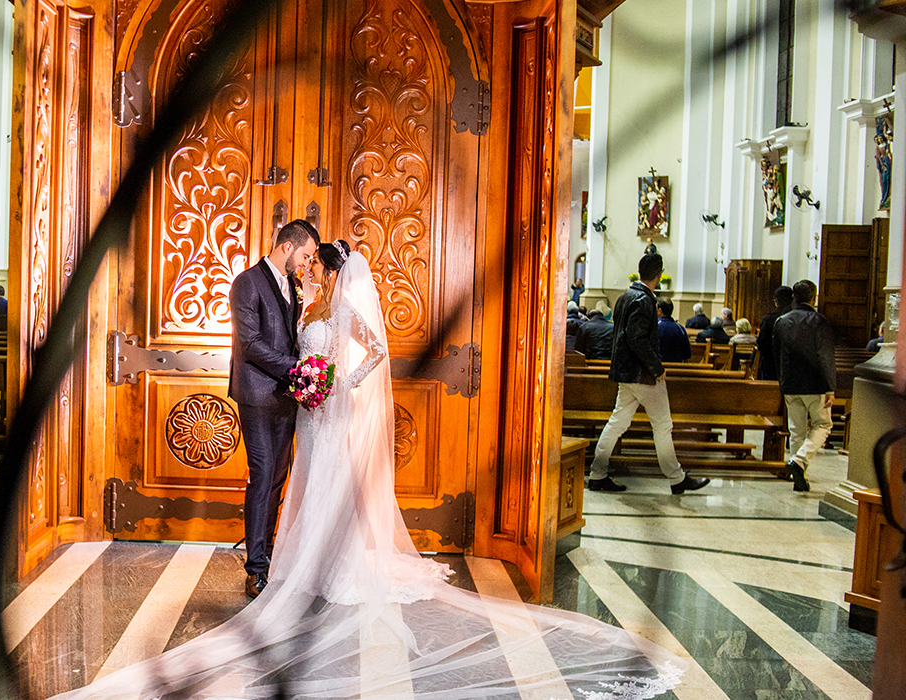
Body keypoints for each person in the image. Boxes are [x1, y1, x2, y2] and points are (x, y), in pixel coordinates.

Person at [52, 244, 687, 700]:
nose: (309, 271)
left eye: (316, 266)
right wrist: (311, 380)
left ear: (331, 270)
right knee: (305, 486)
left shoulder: (344, 308)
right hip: (309, 414)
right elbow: (293, 350)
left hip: (329, 410)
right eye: (307, 264)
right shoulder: (306, 303)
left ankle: (331, 563)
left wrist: (342, 383)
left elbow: (376, 352)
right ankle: (297, 559)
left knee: (331, 488)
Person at [229, 219, 318, 599]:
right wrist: (296, 368)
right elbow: (250, 343)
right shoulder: (247, 282)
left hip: (286, 396)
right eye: (306, 256)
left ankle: (266, 556)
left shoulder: (291, 285)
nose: (307, 264)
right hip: (257, 396)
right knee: (262, 476)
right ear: (287, 246)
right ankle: (255, 569)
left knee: (277, 479)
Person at [586, 254, 709, 495]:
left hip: (626, 372)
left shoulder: (625, 296)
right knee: (662, 425)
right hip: (642, 374)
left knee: (617, 423)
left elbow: (623, 335)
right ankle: (676, 478)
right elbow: (636, 338)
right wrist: (657, 367)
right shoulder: (643, 300)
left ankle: (597, 474)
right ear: (659, 274)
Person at [772, 280, 836, 492]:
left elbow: (776, 354)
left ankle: (799, 478)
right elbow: (825, 355)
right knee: (823, 425)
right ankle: (799, 462)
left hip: (790, 383)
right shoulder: (819, 321)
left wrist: (782, 380)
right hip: (815, 383)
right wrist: (830, 387)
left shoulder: (781, 321)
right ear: (814, 297)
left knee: (796, 431)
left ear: (794, 297)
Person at [757, 285, 794, 381]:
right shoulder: (795, 319)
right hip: (790, 365)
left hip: (770, 364)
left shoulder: (768, 319)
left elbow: (761, 343)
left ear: (776, 301)